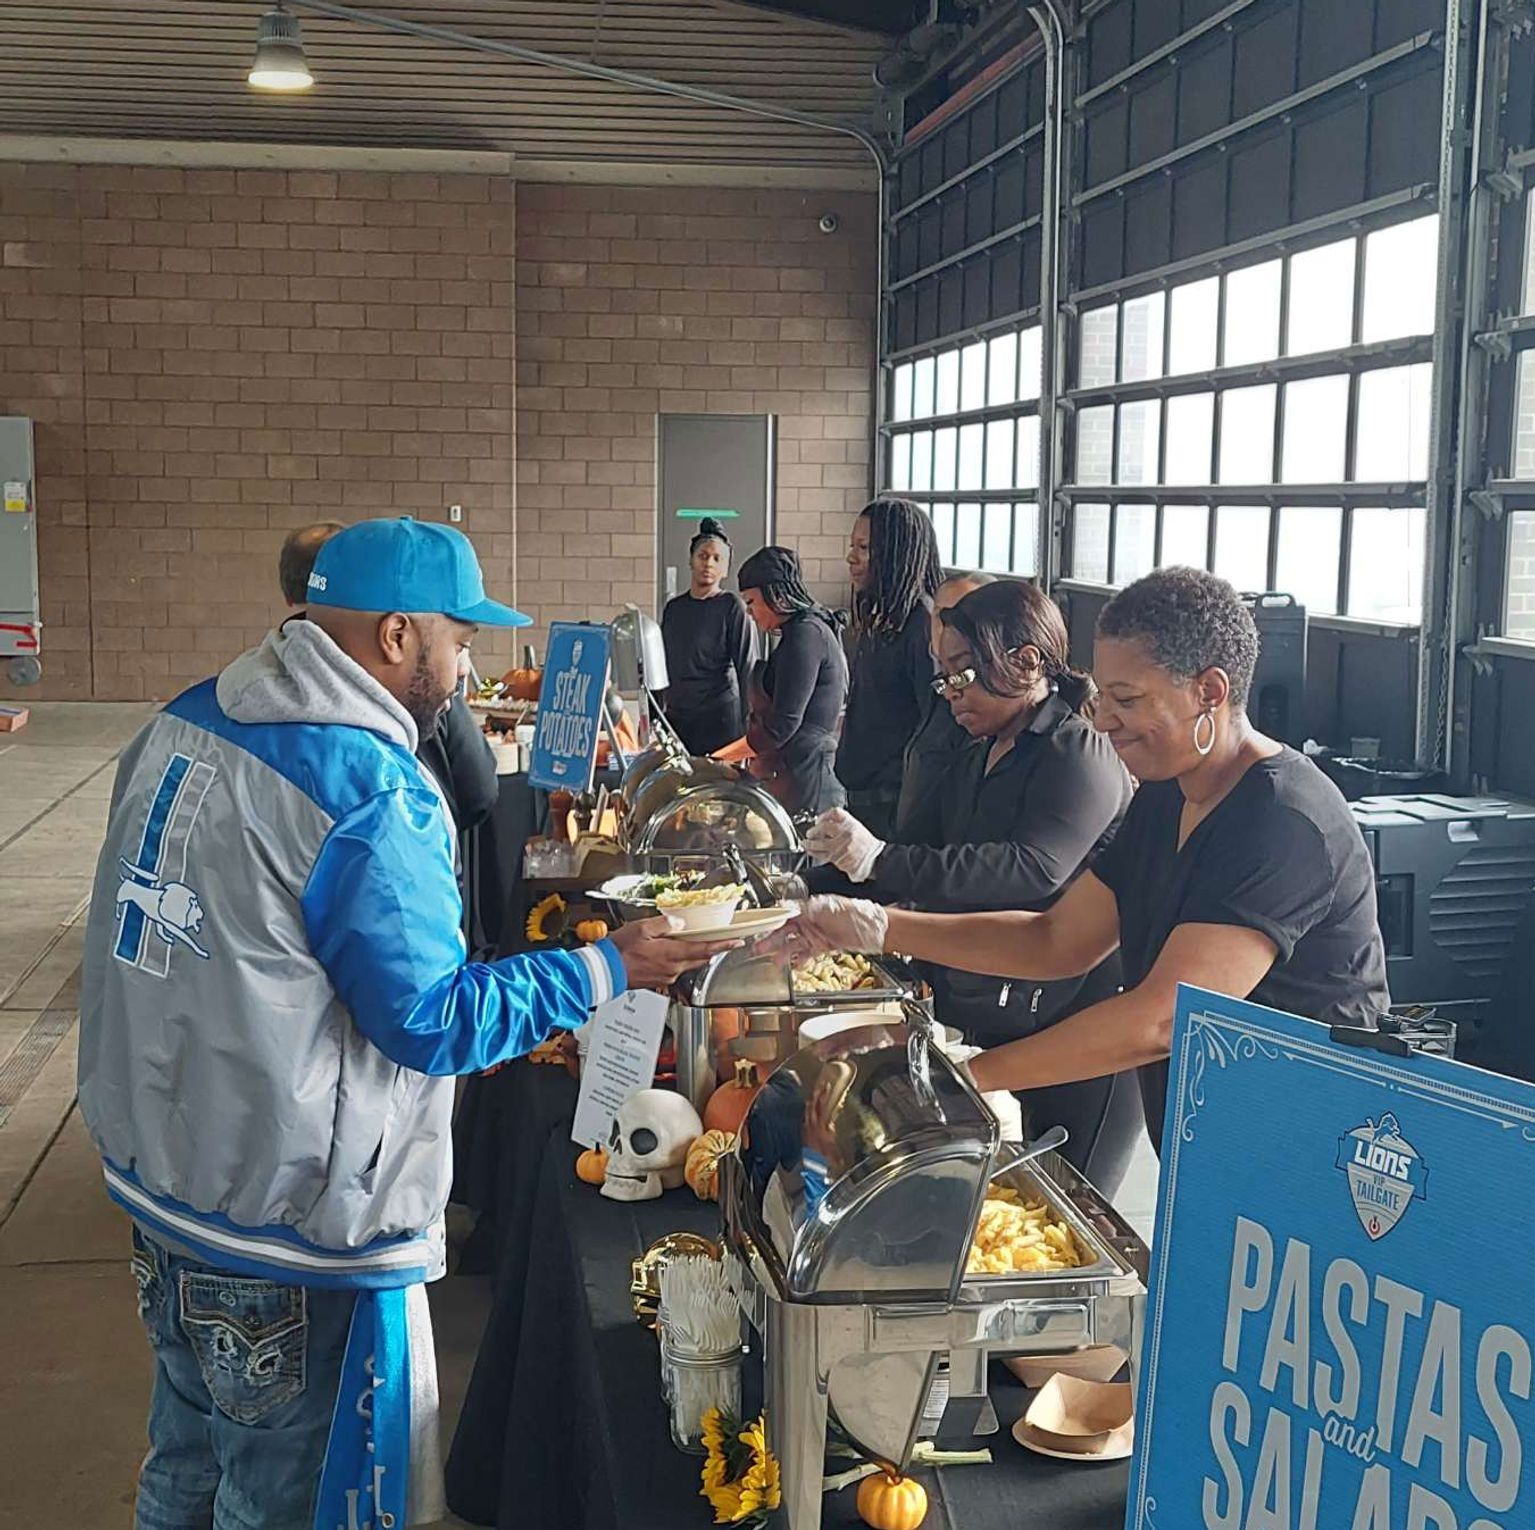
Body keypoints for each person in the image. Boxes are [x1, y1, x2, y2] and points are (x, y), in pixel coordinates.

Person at [78, 517, 737, 1530]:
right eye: (456, 636)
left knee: (185, 1463)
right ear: (394, 636)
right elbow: (430, 1021)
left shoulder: (185, 717)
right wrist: (611, 964)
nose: (466, 662)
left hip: (165, 1179)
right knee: (277, 1497)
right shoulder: (368, 789)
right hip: (280, 1219)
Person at [785, 566, 1390, 1156]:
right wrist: (879, 928)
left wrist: (959, 1075)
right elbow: (1057, 939)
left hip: (1314, 1145)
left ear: (1209, 691)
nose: (1103, 720)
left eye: (1127, 700)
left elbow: (1164, 1018)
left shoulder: (1281, 820)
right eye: (1105, 696)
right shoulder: (1166, 793)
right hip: (1215, 1129)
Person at [806, 580, 1142, 1192]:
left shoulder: (1078, 753)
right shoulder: (976, 753)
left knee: (1064, 1208)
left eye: (963, 674)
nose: (951, 694)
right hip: (992, 1012)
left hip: (1076, 1030)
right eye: (945, 677)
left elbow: (1030, 871)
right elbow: (920, 848)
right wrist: (808, 884)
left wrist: (880, 862)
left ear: (1027, 661)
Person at [280, 520, 498, 842]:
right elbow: (479, 790)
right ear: (395, 636)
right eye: (459, 646)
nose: (462, 669)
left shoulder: (215, 713)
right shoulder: (385, 798)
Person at [836, 497, 944, 839]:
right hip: (864, 800)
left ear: (894, 553)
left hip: (894, 808)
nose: (851, 557)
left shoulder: (922, 623)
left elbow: (936, 726)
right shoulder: (881, 618)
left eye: (864, 548)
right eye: (852, 546)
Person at [736, 545, 849, 817]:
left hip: (808, 780)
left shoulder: (805, 635)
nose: (749, 613)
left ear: (774, 594)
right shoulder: (798, 632)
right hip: (792, 771)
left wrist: (724, 757)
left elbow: (782, 725)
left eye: (751, 602)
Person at [894, 570, 994, 840]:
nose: (948, 628)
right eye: (941, 616)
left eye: (961, 617)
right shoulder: (940, 691)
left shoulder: (992, 708)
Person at [659, 516, 756, 755]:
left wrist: (751, 730)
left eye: (717, 559)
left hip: (719, 720)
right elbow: (662, 665)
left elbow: (748, 669)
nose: (708, 563)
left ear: (725, 568)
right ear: (691, 560)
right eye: (703, 556)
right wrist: (656, 718)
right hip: (678, 720)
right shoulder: (674, 609)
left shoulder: (732, 607)